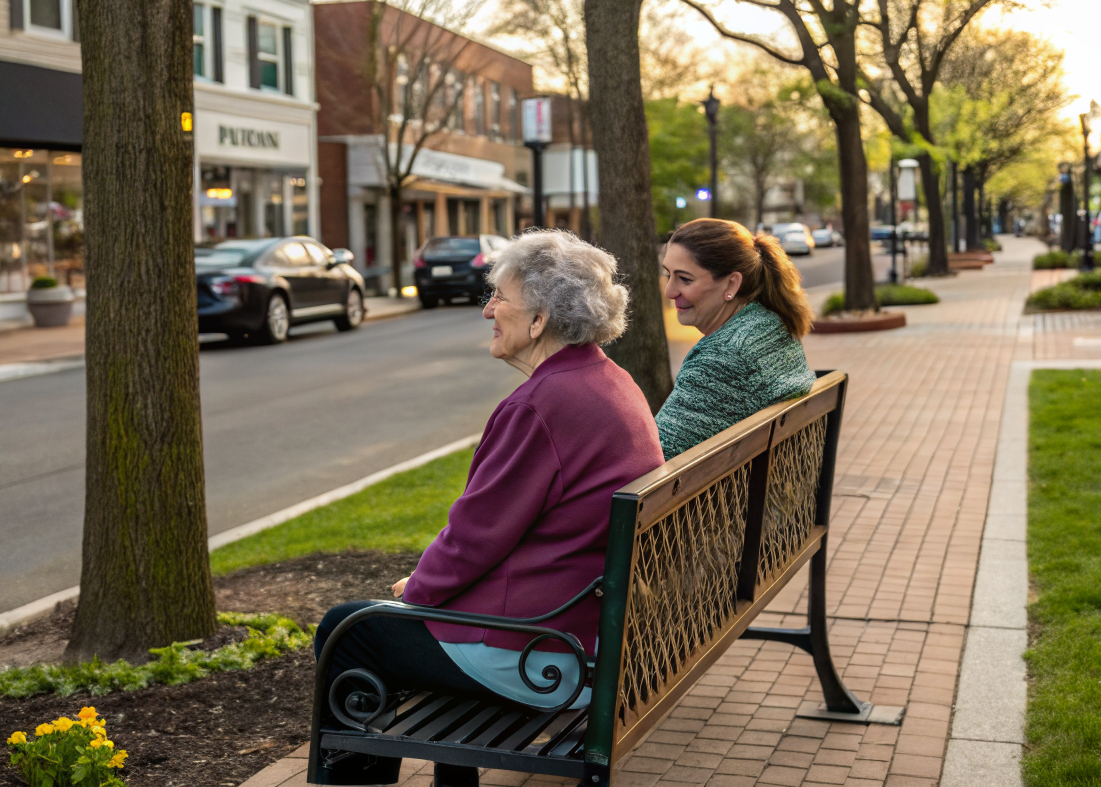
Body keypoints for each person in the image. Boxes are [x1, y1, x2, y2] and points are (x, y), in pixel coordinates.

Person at [314, 230, 663, 741]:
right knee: (375, 623)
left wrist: (419, 593)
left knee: (348, 630)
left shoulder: (541, 406)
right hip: (589, 631)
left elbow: (474, 536)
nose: (487, 311)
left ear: (539, 320)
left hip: (546, 655)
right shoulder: (610, 380)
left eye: (498, 297)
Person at [656, 218, 815, 460]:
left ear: (732, 283)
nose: (669, 291)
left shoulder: (723, 359)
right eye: (668, 275)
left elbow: (658, 459)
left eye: (685, 279)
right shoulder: (771, 324)